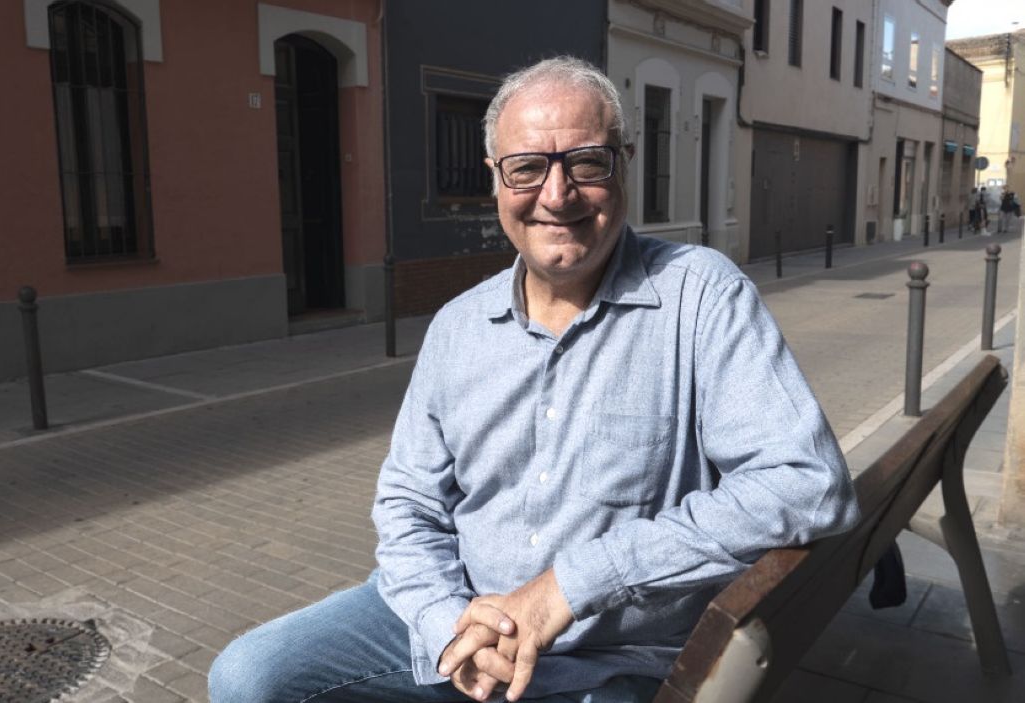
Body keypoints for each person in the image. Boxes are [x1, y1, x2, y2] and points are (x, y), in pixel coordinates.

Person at [208, 56, 861, 703]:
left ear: (623, 163)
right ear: (496, 179)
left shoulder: (701, 297)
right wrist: (446, 622)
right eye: (527, 168)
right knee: (245, 676)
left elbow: (803, 482)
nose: (557, 195)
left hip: (603, 658)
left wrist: (569, 587)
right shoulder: (458, 327)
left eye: (585, 162)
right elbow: (408, 503)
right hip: (455, 621)